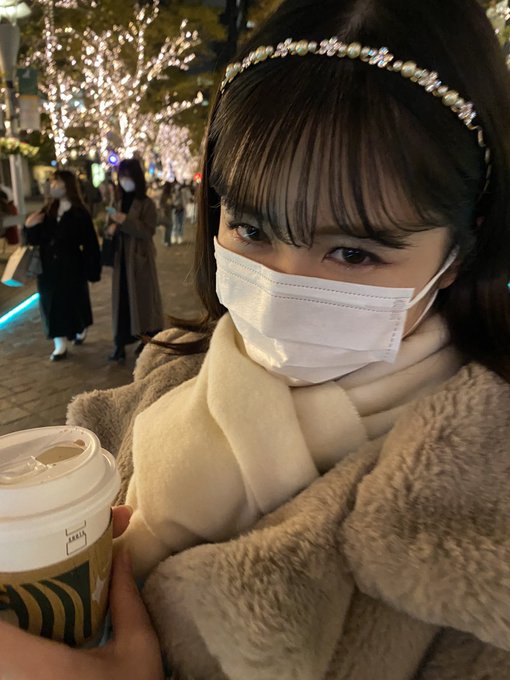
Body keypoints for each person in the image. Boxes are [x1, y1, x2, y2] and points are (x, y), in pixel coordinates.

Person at [2, 0, 510, 677]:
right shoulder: (168, 376)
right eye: (251, 229)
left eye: (354, 252)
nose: (277, 290)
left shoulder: (482, 534)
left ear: (462, 247)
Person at [24, 171, 101, 361]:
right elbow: (34, 240)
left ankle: (79, 327)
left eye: (57, 182)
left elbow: (90, 243)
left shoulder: (79, 212)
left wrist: (92, 270)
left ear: (67, 185)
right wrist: (29, 225)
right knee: (50, 304)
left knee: (74, 301)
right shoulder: (47, 210)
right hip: (48, 268)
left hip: (72, 265)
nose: (53, 185)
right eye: (52, 182)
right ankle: (59, 343)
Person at [106, 158, 163, 363]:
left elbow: (148, 231)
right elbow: (108, 227)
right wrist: (110, 229)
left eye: (128, 176)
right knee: (121, 300)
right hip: (121, 259)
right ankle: (120, 343)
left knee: (143, 299)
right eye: (122, 176)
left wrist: (125, 221)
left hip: (139, 260)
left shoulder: (146, 203)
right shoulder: (117, 202)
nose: (124, 181)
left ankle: (146, 339)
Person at [159, 180, 174, 246]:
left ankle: (167, 240)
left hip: (168, 212)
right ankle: (167, 241)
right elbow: (161, 204)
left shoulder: (166, 194)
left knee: (168, 226)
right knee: (169, 226)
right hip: (166, 212)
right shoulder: (166, 194)